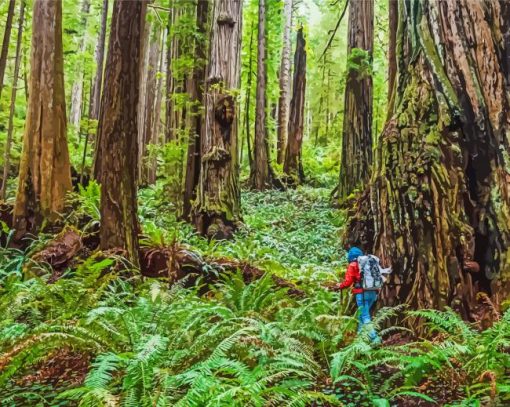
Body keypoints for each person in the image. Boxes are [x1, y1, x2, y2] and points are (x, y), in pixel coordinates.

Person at [337, 246, 380, 344]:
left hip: (362, 293)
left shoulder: (353, 265)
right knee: (361, 316)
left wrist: (340, 286)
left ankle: (375, 339)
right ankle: (359, 340)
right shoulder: (368, 263)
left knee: (365, 316)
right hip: (373, 292)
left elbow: (348, 282)